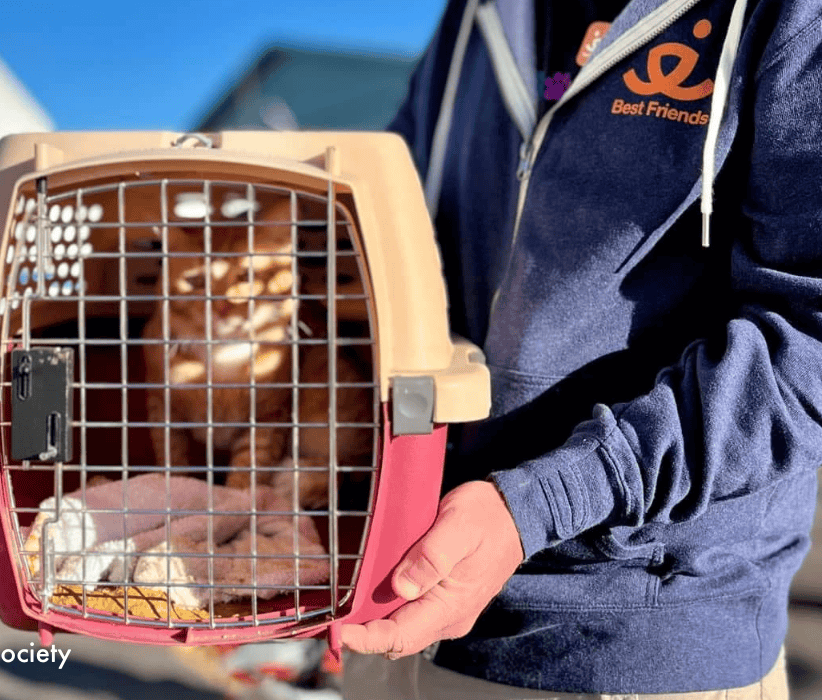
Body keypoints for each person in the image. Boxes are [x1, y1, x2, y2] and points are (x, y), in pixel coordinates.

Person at [340, 0, 822, 697]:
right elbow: (387, 243)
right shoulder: (477, 14)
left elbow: (808, 343)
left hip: (626, 645)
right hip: (392, 611)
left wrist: (536, 506)